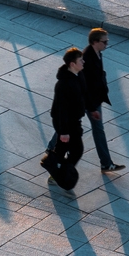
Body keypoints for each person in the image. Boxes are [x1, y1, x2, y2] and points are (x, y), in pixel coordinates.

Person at [40, 47, 86, 189]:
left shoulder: (78, 75)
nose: (83, 62)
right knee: (76, 150)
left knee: (62, 150)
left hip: (73, 121)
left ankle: (55, 170)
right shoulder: (64, 84)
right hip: (67, 123)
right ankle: (57, 172)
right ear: (72, 64)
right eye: (80, 60)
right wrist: (64, 131)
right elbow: (61, 110)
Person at [82, 28, 125, 173]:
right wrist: (93, 108)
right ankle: (52, 148)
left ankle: (106, 163)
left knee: (97, 130)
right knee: (69, 127)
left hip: (94, 99)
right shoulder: (87, 58)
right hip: (87, 101)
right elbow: (85, 86)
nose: (107, 44)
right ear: (95, 42)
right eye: (104, 42)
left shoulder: (97, 53)